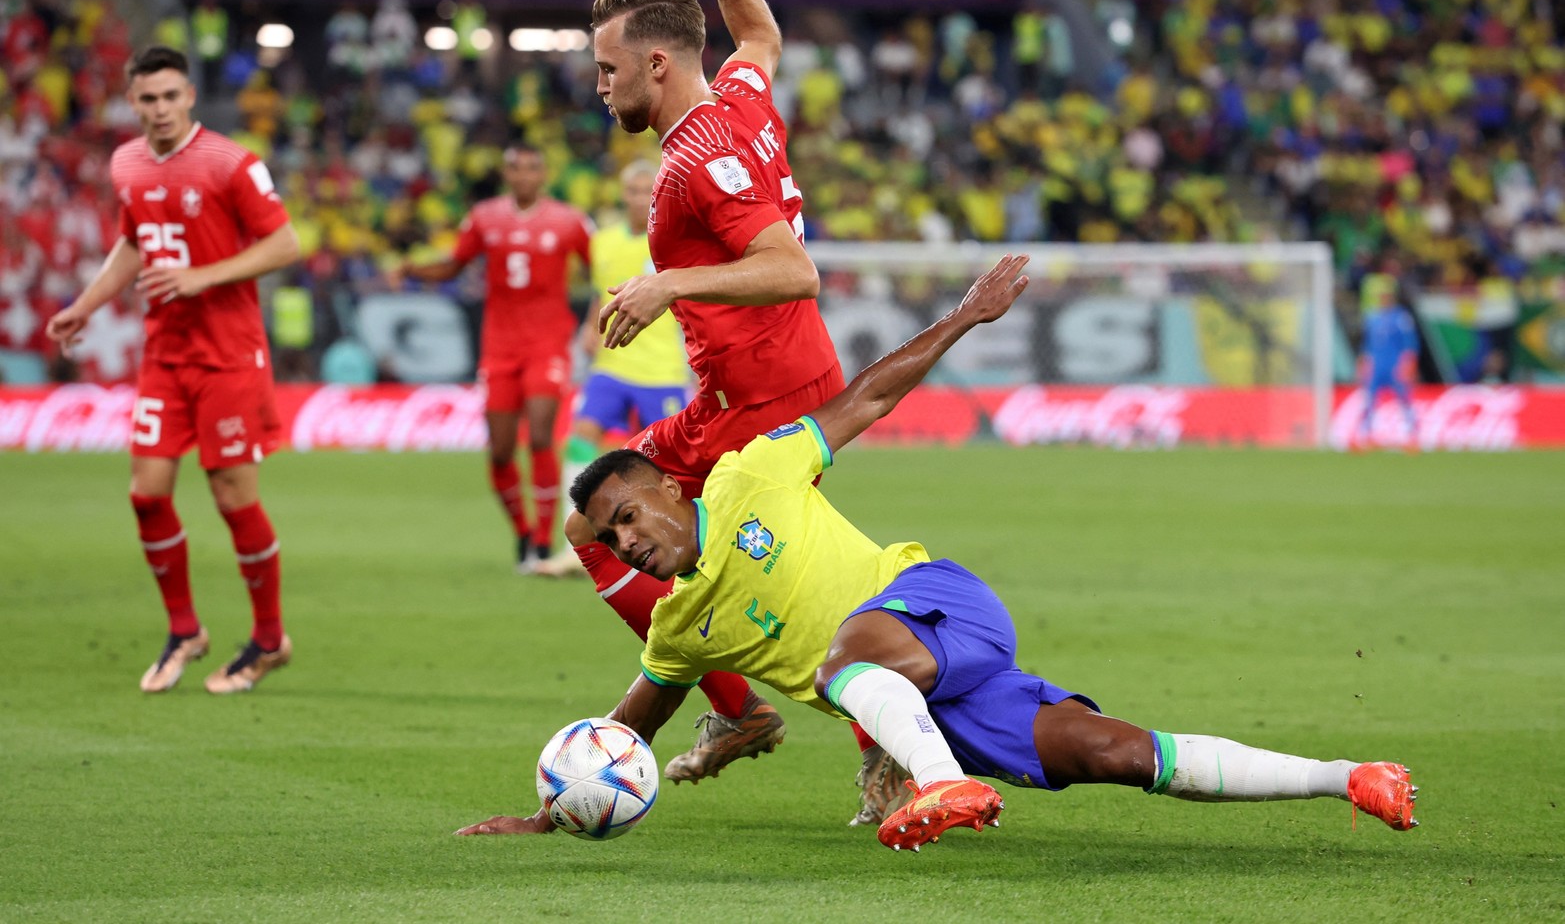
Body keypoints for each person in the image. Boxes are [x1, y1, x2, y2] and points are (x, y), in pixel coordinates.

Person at [457, 255, 1419, 849]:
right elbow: (627, 729)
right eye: (612, 536)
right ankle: (1352, 777)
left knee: (842, 659)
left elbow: (864, 397)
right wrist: (550, 810)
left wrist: (964, 315)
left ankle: (933, 781)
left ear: (674, 487)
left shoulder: (752, 475)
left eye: (630, 513)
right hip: (929, 703)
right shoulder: (679, 627)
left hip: (935, 608)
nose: (630, 540)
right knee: (1117, 753)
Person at [557, 0, 899, 823]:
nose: (600, 85)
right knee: (622, 527)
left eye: (607, 67)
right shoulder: (735, 100)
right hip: (754, 387)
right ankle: (772, 719)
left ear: (654, 63)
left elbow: (792, 270)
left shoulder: (694, 159)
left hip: (761, 402)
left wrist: (667, 286)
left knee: (647, 540)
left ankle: (838, 736)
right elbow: (761, 39)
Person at [45, 46, 302, 695]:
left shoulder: (231, 162)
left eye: (169, 96)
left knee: (231, 497)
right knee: (146, 493)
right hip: (165, 354)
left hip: (227, 355)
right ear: (132, 103)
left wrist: (200, 277)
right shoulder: (126, 162)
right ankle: (184, 630)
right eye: (146, 99)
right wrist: (84, 305)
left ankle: (269, 639)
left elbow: (285, 242)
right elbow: (136, 241)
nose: (159, 109)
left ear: (188, 96)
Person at [396, 144, 591, 572]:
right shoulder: (485, 217)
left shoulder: (569, 221)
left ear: (544, 174)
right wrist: (413, 270)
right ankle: (521, 532)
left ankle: (543, 542)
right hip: (499, 348)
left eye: (532, 167)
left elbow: (602, 269)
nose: (524, 175)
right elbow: (454, 265)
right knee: (501, 452)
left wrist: (603, 312)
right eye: (516, 169)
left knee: (541, 434)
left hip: (547, 345)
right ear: (507, 175)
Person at [557, 159, 691, 507]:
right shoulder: (602, 242)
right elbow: (600, 293)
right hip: (612, 364)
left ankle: (678, 545)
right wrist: (589, 327)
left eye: (647, 191)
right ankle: (576, 545)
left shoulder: (673, 242)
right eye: (633, 191)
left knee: (671, 461)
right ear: (622, 195)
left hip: (661, 369)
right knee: (579, 441)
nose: (639, 198)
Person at [1355, 278, 1419, 448]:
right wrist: (1364, 362)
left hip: (1395, 365)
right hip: (1377, 365)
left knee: (1404, 399)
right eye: (1381, 296)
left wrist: (1408, 363)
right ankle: (1365, 436)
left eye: (1386, 296)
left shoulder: (1401, 317)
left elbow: (1410, 343)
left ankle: (1412, 435)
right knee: (1369, 400)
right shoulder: (1372, 317)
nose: (1383, 299)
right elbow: (1367, 344)